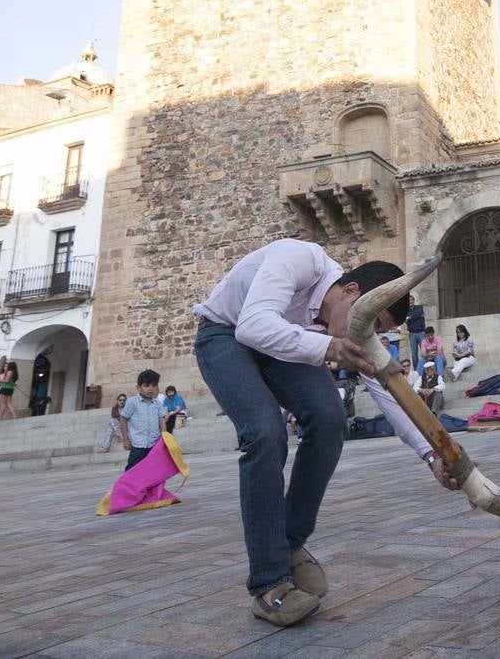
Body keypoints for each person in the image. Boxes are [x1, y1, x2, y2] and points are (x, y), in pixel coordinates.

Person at [192, 239, 455, 626]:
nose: (366, 334)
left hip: (284, 344)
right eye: (370, 322)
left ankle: (290, 543)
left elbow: (384, 386)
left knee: (331, 418)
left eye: (378, 330)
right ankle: (269, 582)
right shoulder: (299, 259)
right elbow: (252, 326)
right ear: (351, 291)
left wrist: (433, 456)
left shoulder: (344, 323)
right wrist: (329, 347)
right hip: (225, 335)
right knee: (265, 431)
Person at [120, 369, 166, 470]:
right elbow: (123, 418)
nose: (150, 389)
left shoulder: (158, 404)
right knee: (132, 470)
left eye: (154, 386)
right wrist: (125, 440)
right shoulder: (132, 402)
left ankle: (149, 486)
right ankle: (128, 486)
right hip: (137, 444)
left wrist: (165, 437)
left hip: (154, 444)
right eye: (146, 386)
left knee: (153, 470)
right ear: (138, 388)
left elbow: (162, 419)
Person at [405, 295, 427, 368]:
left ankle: (426, 369)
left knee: (424, 352)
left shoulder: (419, 307)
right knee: (414, 354)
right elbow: (406, 321)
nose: (410, 301)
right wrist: (417, 317)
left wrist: (409, 318)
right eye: (409, 300)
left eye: (411, 300)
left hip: (421, 332)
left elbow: (419, 313)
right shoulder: (406, 311)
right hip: (412, 334)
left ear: (414, 301)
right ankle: (416, 371)